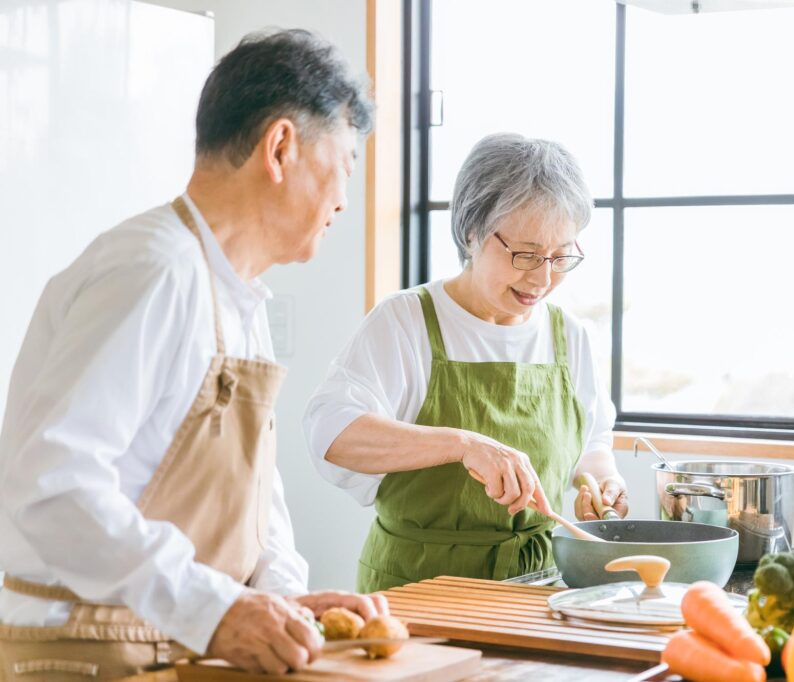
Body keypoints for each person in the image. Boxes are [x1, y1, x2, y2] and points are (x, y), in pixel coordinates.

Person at [0, 29, 383, 679]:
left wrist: (278, 598)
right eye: (345, 161)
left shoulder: (237, 295)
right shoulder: (153, 270)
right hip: (88, 653)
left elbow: (255, 491)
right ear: (282, 147)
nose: (346, 197)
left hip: (174, 644)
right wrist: (215, 609)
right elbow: (52, 488)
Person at [304, 133, 628, 593]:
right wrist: (463, 444)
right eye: (525, 254)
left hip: (538, 588)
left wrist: (601, 481)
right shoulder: (406, 321)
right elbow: (330, 433)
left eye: (560, 257)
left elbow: (592, 440)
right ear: (471, 232)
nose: (542, 278)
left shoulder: (570, 337)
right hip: (417, 585)